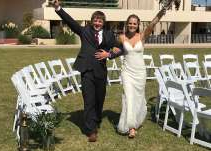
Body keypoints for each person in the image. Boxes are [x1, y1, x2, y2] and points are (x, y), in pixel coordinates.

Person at [53, 0, 121, 142]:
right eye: (95, 21)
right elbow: (70, 21)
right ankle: (91, 130)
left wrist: (109, 55)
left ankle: (96, 120)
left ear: (103, 23)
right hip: (87, 70)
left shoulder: (109, 35)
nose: (97, 23)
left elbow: (119, 49)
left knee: (99, 99)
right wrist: (58, 8)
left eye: (100, 21)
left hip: (101, 71)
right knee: (89, 100)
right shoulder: (84, 31)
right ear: (91, 22)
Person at [116, 9, 166, 138]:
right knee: (128, 97)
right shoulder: (121, 37)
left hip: (139, 73)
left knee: (138, 99)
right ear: (127, 24)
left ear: (138, 25)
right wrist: (110, 52)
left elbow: (152, 25)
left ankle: (135, 121)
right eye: (130, 23)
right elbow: (114, 49)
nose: (132, 25)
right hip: (127, 72)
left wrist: (161, 13)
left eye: (135, 24)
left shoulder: (142, 36)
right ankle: (131, 127)